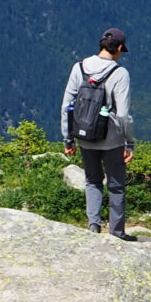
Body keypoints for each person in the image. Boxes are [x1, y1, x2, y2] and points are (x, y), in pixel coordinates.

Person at [62, 29, 135, 237]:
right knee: (116, 185)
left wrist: (68, 138)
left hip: (85, 136)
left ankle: (93, 226)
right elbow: (123, 115)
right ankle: (117, 233)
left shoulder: (79, 68)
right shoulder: (120, 74)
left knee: (92, 180)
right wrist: (129, 143)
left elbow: (67, 106)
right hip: (112, 140)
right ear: (119, 48)